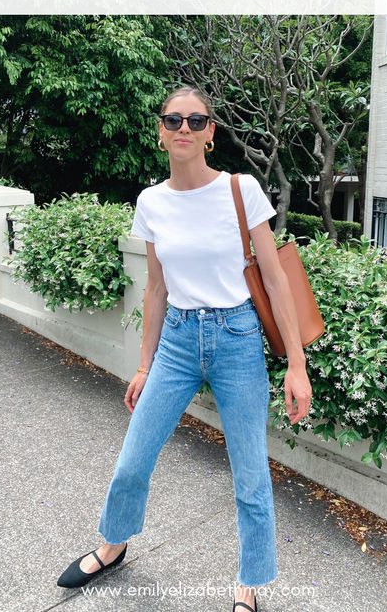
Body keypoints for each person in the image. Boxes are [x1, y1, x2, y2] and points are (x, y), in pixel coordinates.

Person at [57, 85, 312, 611]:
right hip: (175, 341)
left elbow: (275, 278)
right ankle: (114, 544)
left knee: (249, 474)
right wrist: (145, 365)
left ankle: (251, 581)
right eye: (173, 120)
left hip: (238, 339)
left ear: (211, 133)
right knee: (133, 459)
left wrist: (297, 364)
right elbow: (155, 288)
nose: (184, 130)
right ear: (160, 131)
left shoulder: (241, 190)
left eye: (196, 122)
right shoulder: (152, 202)